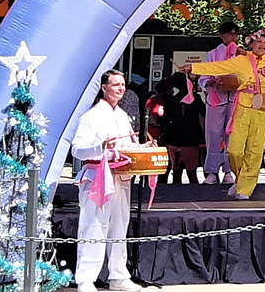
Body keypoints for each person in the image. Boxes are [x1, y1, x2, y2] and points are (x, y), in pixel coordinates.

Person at [181, 28, 265, 199]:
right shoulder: (241, 61)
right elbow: (218, 66)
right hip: (243, 106)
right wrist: (193, 67)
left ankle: (245, 188)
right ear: (251, 43)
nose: (262, 45)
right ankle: (240, 179)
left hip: (264, 107)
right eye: (259, 42)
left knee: (255, 150)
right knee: (234, 150)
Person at [71, 69, 143, 292]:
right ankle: (85, 278)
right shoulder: (91, 116)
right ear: (104, 88)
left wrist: (142, 149)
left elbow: (128, 146)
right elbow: (77, 150)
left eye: (123, 85)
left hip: (120, 176)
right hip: (97, 177)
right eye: (115, 84)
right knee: (93, 225)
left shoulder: (122, 115)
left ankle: (118, 276)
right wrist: (100, 146)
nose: (121, 88)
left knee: (120, 225)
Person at [198, 21, 240, 185]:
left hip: (235, 99)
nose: (233, 37)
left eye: (235, 34)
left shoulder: (242, 55)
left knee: (233, 136)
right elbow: (203, 77)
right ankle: (211, 172)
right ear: (222, 35)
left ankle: (229, 171)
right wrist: (210, 81)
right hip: (216, 99)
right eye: (230, 34)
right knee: (213, 135)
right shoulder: (213, 54)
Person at [160, 72, 206, 184]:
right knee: (192, 172)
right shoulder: (196, 99)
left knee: (176, 171)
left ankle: (176, 191)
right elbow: (205, 113)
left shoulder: (171, 100)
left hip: (174, 137)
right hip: (192, 137)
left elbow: (165, 119)